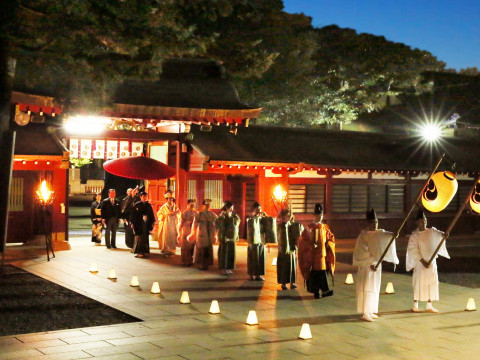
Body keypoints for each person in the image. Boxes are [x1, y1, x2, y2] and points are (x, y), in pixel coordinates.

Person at [353, 209, 399, 322]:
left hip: (376, 266)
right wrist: (371, 261)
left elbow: (387, 236)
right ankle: (365, 312)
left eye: (376, 222)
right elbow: (361, 252)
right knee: (366, 287)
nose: (375, 224)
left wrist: (394, 235)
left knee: (374, 287)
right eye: (373, 222)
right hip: (367, 266)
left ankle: (371, 310)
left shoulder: (380, 233)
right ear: (368, 223)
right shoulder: (363, 236)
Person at [406, 208, 449, 313]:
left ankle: (429, 304)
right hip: (420, 263)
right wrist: (422, 261)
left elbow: (440, 235)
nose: (423, 223)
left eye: (425, 221)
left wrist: (444, 235)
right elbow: (413, 250)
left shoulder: (431, 232)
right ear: (417, 222)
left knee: (431, 282)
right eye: (421, 221)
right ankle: (415, 304)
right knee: (418, 283)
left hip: (431, 262)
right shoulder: (414, 236)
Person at [298, 203, 335, 299]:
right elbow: (303, 241)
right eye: (318, 215)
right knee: (316, 273)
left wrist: (329, 243)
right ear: (314, 215)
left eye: (321, 215)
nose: (320, 217)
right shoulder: (309, 228)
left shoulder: (325, 227)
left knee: (322, 272)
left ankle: (320, 291)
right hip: (312, 256)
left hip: (322, 254)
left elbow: (331, 238)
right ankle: (320, 291)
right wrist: (310, 245)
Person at [277, 208, 303, 290]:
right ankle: (284, 283)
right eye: (286, 216)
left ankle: (292, 282)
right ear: (283, 216)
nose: (288, 217)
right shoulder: (281, 225)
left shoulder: (292, 225)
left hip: (291, 248)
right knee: (284, 266)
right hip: (283, 249)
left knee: (292, 265)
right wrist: (284, 225)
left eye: (289, 215)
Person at [191, 199, 217, 270]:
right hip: (201, 232)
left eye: (209, 205)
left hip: (209, 232)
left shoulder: (212, 214)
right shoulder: (199, 214)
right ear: (203, 206)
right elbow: (194, 224)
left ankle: (207, 264)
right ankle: (200, 263)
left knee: (208, 248)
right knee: (201, 247)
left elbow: (217, 222)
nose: (207, 206)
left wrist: (215, 234)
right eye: (206, 205)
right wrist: (193, 233)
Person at [216, 200, 240, 275]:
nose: (231, 209)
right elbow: (219, 224)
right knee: (224, 253)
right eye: (230, 207)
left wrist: (230, 218)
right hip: (225, 237)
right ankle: (224, 268)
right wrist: (227, 217)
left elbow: (237, 221)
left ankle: (229, 268)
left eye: (232, 207)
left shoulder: (234, 216)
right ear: (226, 208)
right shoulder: (222, 216)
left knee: (231, 253)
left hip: (232, 237)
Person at [130, 191, 155, 258]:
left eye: (146, 196)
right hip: (139, 223)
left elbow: (151, 215)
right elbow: (133, 215)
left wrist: (152, 223)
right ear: (140, 197)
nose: (145, 198)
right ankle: (139, 252)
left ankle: (145, 251)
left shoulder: (148, 205)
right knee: (139, 238)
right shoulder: (137, 205)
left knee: (145, 237)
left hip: (146, 223)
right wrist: (132, 223)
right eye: (143, 196)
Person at [246, 201, 267, 281]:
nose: (259, 210)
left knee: (260, 257)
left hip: (261, 239)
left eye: (260, 209)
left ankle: (258, 274)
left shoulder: (262, 218)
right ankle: (251, 274)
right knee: (252, 257)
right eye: (257, 209)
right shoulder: (251, 218)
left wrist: (265, 217)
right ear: (253, 209)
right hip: (253, 240)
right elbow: (249, 230)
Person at [157, 190, 180, 256]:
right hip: (166, 223)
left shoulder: (175, 206)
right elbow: (159, 214)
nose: (170, 200)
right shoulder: (163, 207)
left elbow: (179, 213)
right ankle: (166, 249)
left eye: (171, 198)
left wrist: (175, 213)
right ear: (166, 199)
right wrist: (164, 216)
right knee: (166, 236)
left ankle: (172, 250)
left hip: (173, 223)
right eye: (169, 198)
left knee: (172, 236)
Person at [179, 199, 198, 266]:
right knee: (185, 247)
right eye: (191, 204)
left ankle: (190, 260)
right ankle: (185, 261)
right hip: (186, 230)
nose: (192, 206)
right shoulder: (184, 213)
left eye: (193, 205)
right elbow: (181, 223)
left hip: (193, 231)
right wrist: (179, 231)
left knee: (192, 246)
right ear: (188, 205)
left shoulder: (196, 213)